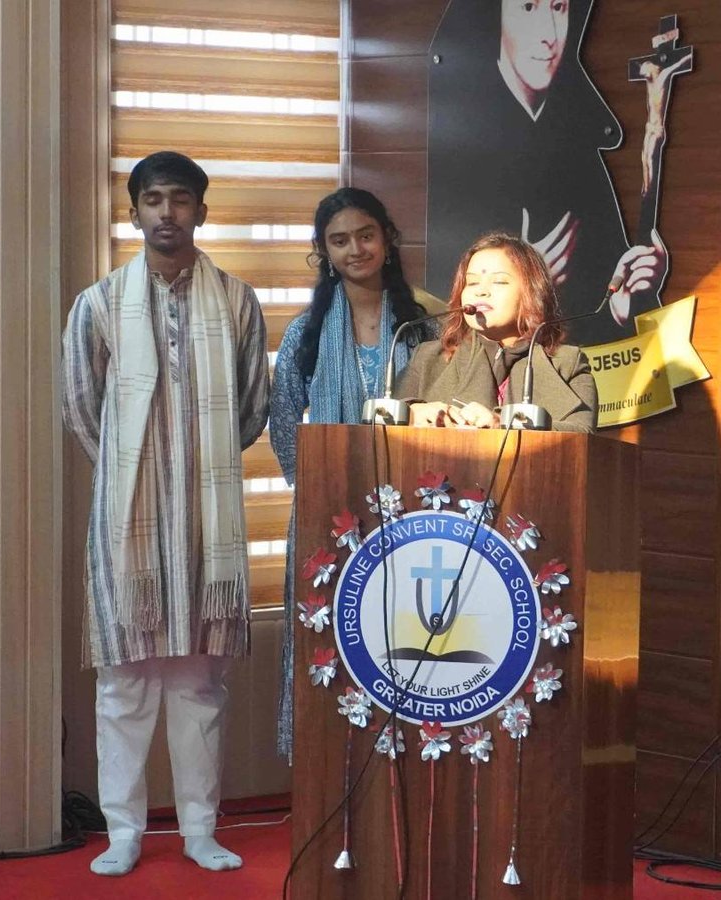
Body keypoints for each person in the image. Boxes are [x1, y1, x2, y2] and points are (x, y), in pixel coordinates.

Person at [61, 151, 270, 876]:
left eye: (181, 199)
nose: (167, 213)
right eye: (153, 200)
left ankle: (199, 829)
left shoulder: (237, 301)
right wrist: (139, 470)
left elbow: (251, 408)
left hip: (209, 524)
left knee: (199, 685)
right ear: (134, 212)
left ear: (201, 212)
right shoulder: (97, 304)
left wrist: (193, 468)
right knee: (124, 685)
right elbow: (82, 409)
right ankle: (123, 832)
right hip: (128, 526)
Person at [268, 187, 439, 760]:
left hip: (413, 513)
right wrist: (317, 490)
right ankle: (324, 763)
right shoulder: (307, 331)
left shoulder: (424, 327)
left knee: (405, 639)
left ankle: (405, 759)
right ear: (324, 252)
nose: (355, 249)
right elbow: (283, 418)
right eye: (339, 241)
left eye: (365, 235)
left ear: (387, 239)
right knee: (330, 642)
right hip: (330, 513)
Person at [427, 0, 666, 347]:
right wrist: (522, 283)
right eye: (528, 7)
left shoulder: (578, 142)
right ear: (495, 17)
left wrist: (618, 305)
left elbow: (591, 319)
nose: (549, 35)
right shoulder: (462, 139)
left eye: (558, 8)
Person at [393, 231, 597, 432]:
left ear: (532, 292)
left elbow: (582, 434)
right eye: (472, 282)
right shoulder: (428, 358)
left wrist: (502, 424)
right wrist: (412, 413)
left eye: (499, 281)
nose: (480, 291)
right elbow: (382, 420)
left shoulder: (567, 362)